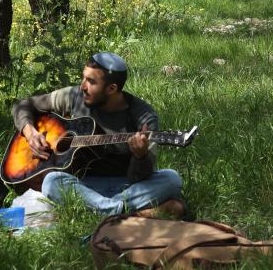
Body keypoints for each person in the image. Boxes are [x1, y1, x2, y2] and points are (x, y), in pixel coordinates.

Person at [11, 52, 185, 218]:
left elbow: (140, 177)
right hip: (82, 184)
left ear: (111, 88)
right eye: (83, 77)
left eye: (91, 81)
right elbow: (24, 105)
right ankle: (127, 212)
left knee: (172, 179)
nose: (82, 86)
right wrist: (30, 131)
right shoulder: (73, 96)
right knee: (51, 181)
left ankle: (105, 210)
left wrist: (140, 157)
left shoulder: (144, 118)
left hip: (126, 186)